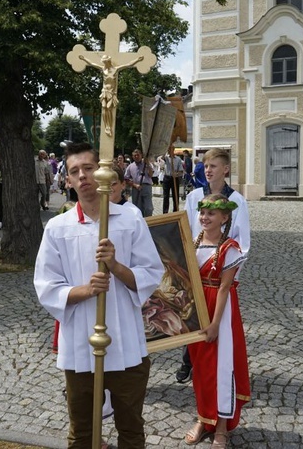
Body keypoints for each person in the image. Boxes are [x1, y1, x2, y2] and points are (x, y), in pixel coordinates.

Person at [34, 142, 164, 449]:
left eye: (88, 168)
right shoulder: (57, 228)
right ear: (67, 180)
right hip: (80, 343)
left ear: (102, 172)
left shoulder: (129, 219)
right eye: (75, 171)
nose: (82, 176)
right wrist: (86, 290)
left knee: (131, 429)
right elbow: (46, 286)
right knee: (82, 432)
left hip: (126, 342)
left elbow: (151, 272)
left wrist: (116, 266)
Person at [176, 148, 251, 383]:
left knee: (217, 317)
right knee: (193, 315)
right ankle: (189, 361)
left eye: (213, 166)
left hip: (220, 267)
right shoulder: (194, 196)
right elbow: (186, 230)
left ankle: (221, 365)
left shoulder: (237, 201)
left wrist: (229, 270)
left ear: (226, 169)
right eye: (206, 166)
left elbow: (243, 240)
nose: (208, 170)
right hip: (196, 263)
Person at [183, 194, 250, 448]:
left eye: (211, 214)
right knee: (200, 367)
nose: (204, 217)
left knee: (222, 368)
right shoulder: (193, 244)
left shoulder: (230, 248)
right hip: (197, 310)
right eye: (202, 212)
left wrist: (214, 324)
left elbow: (224, 289)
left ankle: (221, 427)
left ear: (224, 218)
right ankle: (203, 418)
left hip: (219, 313)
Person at [124, 149, 154, 217]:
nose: (136, 156)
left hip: (146, 187)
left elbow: (151, 175)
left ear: (141, 155)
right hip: (136, 189)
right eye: (135, 155)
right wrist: (134, 185)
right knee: (137, 208)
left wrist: (148, 164)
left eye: (138, 155)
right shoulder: (130, 166)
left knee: (148, 208)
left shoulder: (146, 164)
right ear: (132, 156)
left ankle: (149, 222)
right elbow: (126, 179)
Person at [161, 145, 184, 214]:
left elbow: (181, 171)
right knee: (166, 196)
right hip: (167, 178)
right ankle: (165, 212)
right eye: (168, 149)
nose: (169, 150)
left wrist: (176, 174)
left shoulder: (178, 159)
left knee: (175, 195)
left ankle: (176, 211)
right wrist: (166, 148)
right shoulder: (166, 158)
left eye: (170, 149)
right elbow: (162, 157)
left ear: (173, 149)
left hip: (174, 179)